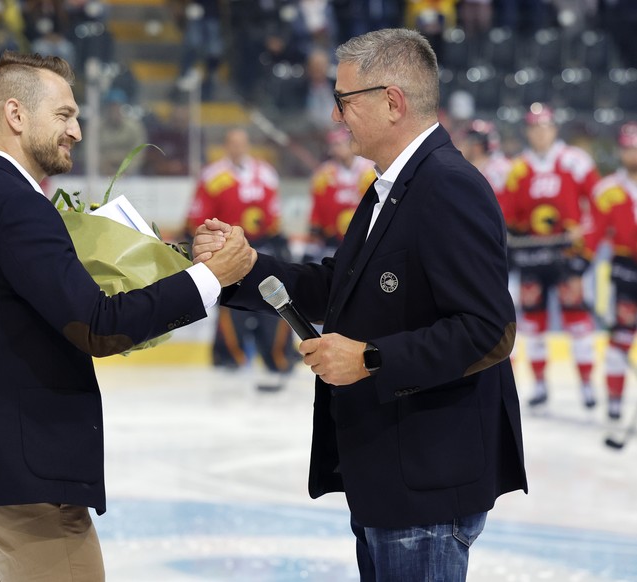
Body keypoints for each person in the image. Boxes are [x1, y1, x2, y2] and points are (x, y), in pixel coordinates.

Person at [0, 51, 255, 582]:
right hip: (19, 487)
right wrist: (209, 278)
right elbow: (98, 325)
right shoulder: (19, 207)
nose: (77, 131)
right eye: (64, 115)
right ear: (16, 115)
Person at [192, 29, 527, 580]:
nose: (336, 118)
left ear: (391, 102)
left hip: (426, 482)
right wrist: (244, 267)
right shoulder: (389, 187)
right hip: (390, 473)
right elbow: (335, 287)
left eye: (343, 101)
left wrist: (370, 359)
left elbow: (488, 331)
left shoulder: (447, 186)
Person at [503, 103, 601, 409]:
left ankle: (587, 386)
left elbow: (598, 205)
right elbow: (506, 212)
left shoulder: (576, 161)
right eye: (534, 127)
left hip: (566, 254)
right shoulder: (519, 167)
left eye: (544, 126)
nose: (539, 133)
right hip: (532, 255)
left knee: (577, 319)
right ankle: (541, 386)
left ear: (554, 128)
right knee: (532, 323)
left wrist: (585, 244)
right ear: (528, 132)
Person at [186, 127, 296, 391]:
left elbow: (274, 214)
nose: (237, 147)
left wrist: (279, 240)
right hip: (228, 250)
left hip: (263, 248)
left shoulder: (265, 172)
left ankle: (278, 357)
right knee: (231, 306)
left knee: (274, 304)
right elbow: (198, 217)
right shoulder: (212, 176)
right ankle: (230, 357)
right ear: (226, 145)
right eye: (232, 143)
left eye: (241, 142)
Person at [590, 121, 637, 421]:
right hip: (625, 272)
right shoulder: (608, 190)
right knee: (619, 339)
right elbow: (593, 235)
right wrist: (579, 265)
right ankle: (615, 404)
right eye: (628, 148)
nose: (632, 153)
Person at [304, 127, 375, 262]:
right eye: (333, 145)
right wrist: (311, 246)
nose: (336, 149)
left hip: (365, 241)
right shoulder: (323, 175)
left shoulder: (372, 171)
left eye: (339, 144)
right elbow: (316, 214)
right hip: (333, 244)